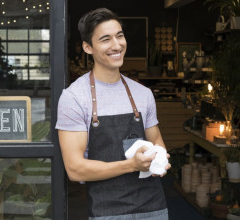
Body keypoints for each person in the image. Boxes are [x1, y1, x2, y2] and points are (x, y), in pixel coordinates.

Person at [56, 8, 170, 220]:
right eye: (105, 39)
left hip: (153, 207)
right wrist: (131, 165)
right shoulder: (74, 98)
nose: (117, 45)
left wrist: (160, 159)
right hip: (106, 211)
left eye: (120, 36)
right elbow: (75, 169)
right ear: (87, 47)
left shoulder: (143, 94)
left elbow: (157, 142)